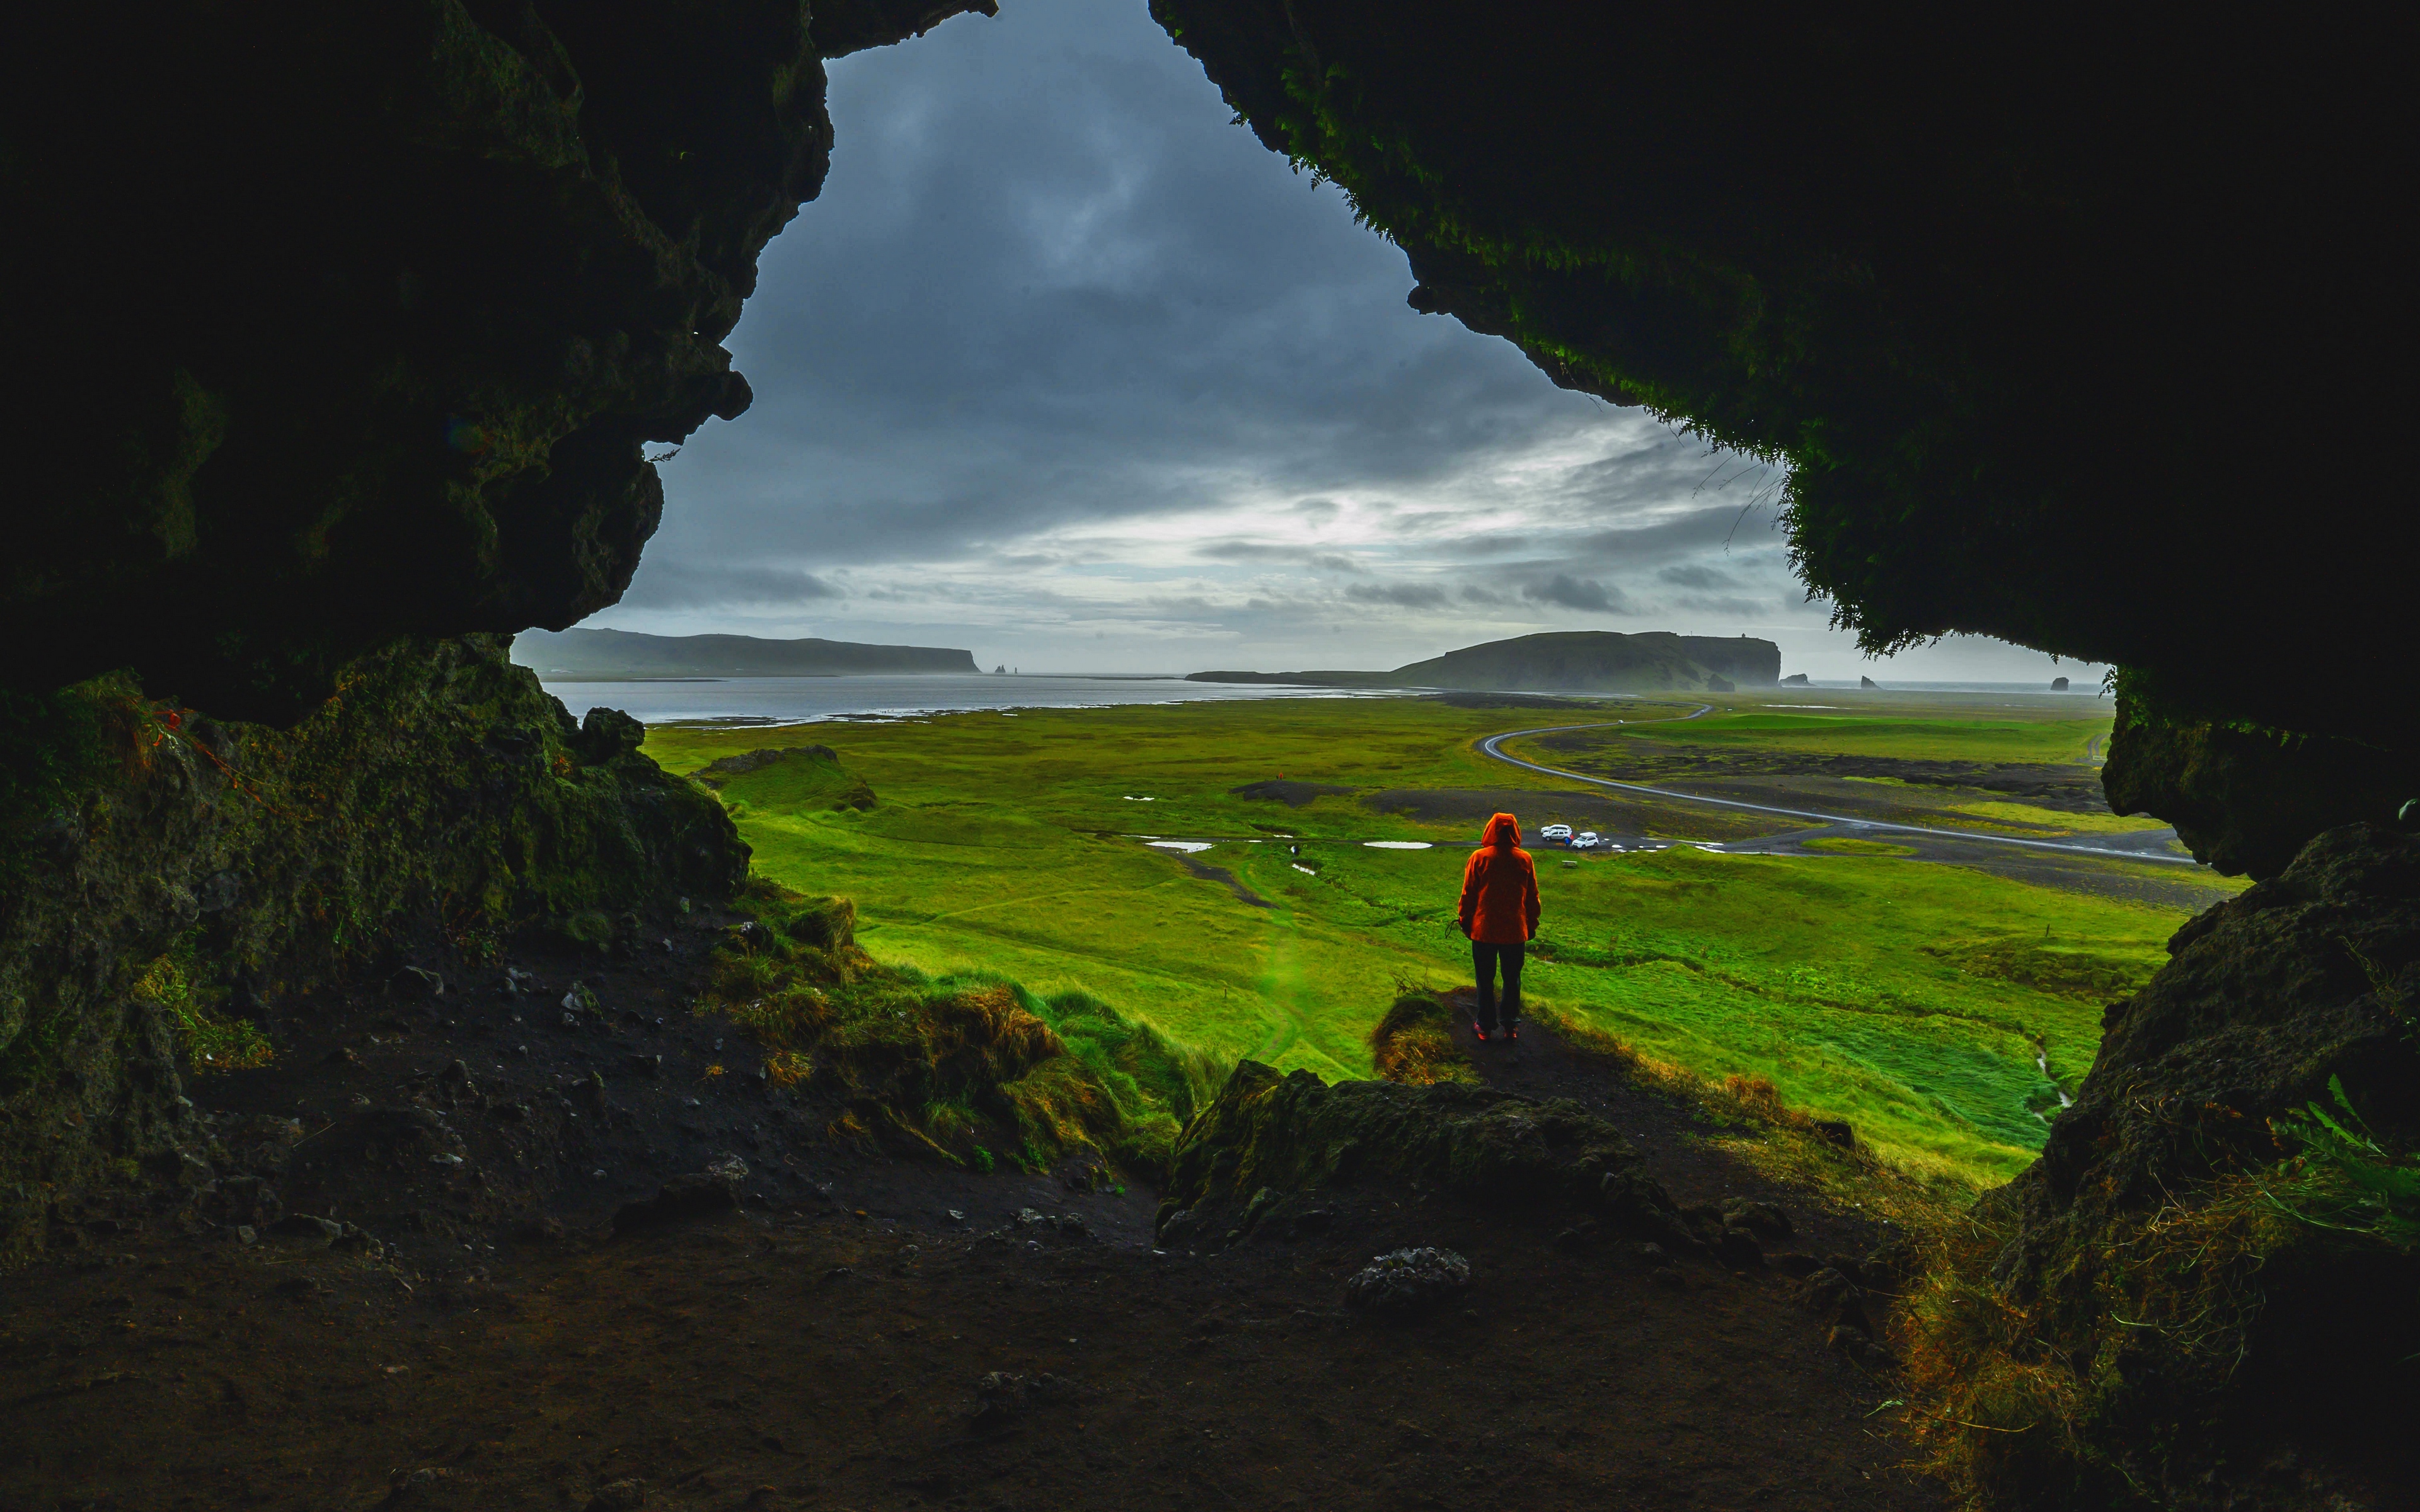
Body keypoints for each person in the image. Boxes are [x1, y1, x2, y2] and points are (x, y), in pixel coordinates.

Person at [1457, 811, 1540, 1042]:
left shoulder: (1480, 858)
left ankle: (1484, 1026)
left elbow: (1469, 895)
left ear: (1490, 830)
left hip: (1484, 931)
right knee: (1512, 979)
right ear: (1515, 832)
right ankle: (1510, 1026)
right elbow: (1532, 897)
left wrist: (1465, 922)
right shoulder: (1524, 859)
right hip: (1515, 932)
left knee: (1485, 979)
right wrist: (1531, 924)